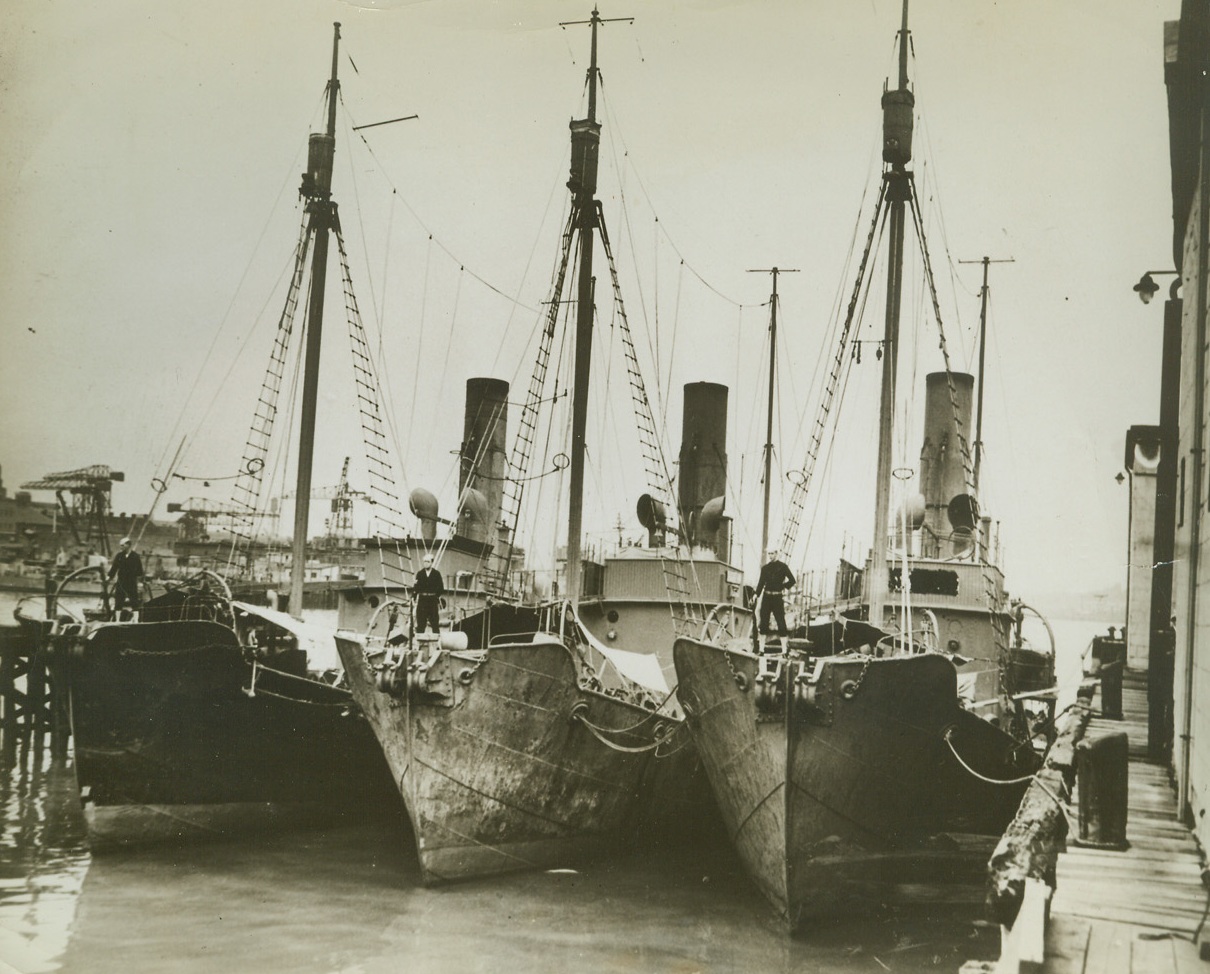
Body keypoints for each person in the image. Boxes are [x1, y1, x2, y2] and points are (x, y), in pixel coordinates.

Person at [755, 548, 795, 653]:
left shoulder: (783, 567)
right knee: (763, 624)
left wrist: (783, 586)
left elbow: (792, 580)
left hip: (777, 598)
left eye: (772, 553)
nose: (770, 556)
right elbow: (760, 584)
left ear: (776, 554)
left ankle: (784, 651)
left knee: (781, 623)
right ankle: (761, 650)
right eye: (769, 554)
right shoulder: (765, 569)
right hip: (767, 598)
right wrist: (755, 595)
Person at [108, 537, 145, 616]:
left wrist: (139, 582)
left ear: (128, 545)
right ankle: (117, 620)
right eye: (120, 545)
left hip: (131, 582)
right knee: (118, 601)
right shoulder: (119, 556)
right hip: (121, 582)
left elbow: (139, 571)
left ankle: (136, 620)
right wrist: (109, 577)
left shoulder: (135, 556)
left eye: (122, 545)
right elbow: (114, 568)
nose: (121, 547)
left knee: (134, 601)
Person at [413, 554, 445, 635]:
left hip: (432, 600)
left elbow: (441, 587)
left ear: (431, 563)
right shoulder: (420, 574)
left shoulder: (436, 574)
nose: (426, 563)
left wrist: (436, 596)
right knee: (421, 622)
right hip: (422, 600)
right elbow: (416, 587)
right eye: (424, 562)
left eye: (428, 562)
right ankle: (420, 644)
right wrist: (414, 597)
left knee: (434, 623)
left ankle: (437, 644)